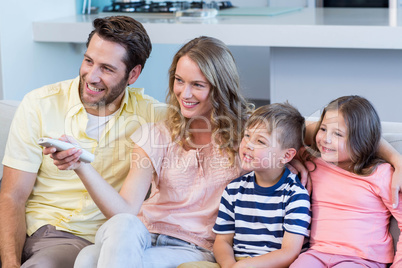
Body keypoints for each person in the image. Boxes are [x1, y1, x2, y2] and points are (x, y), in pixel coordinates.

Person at [50, 36, 252, 268]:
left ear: (220, 87)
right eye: (179, 81)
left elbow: (293, 129)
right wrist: (80, 163)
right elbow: (124, 210)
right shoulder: (157, 133)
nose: (184, 94)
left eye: (197, 85)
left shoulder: (247, 136)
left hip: (193, 246)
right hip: (140, 235)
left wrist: (298, 150)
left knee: (89, 259)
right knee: (115, 233)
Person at [0, 16, 165, 268]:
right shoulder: (39, 104)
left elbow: (212, 121)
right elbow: (13, 196)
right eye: (88, 61)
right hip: (42, 232)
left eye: (107, 69)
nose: (91, 76)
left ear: (133, 74)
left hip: (99, 241)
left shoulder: (153, 117)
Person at [179, 103, 311, 268]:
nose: (248, 144)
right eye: (247, 135)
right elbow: (222, 241)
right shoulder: (234, 189)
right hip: (235, 263)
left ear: (286, 155)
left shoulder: (295, 195)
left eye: (260, 141)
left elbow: (289, 252)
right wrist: (229, 265)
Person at [290, 95, 402, 268]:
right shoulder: (313, 162)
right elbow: (284, 140)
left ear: (361, 140)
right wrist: (294, 160)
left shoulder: (381, 174)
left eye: (338, 134)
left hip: (362, 259)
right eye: (323, 129)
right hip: (317, 254)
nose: (326, 139)